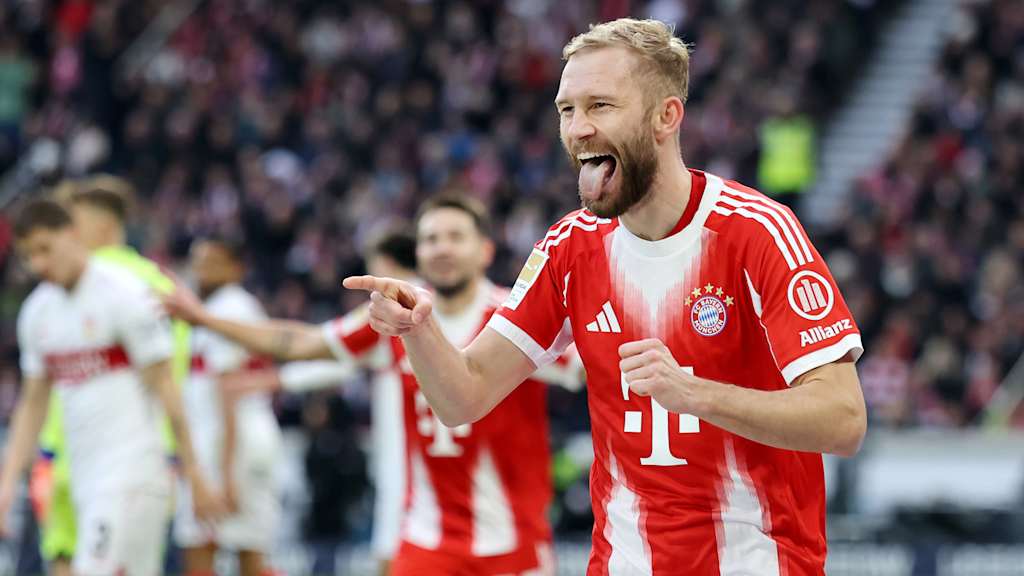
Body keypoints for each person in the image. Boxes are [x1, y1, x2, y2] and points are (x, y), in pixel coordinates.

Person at [343, 18, 867, 575]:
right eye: (567, 110)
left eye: (601, 106)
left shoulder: (758, 231)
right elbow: (463, 397)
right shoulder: (570, 246)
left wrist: (694, 394)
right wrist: (421, 332)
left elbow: (843, 419)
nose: (578, 129)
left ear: (666, 116)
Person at [166, 195, 581, 575]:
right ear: (419, 253)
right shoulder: (396, 317)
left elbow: (589, 367)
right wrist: (203, 319)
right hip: (425, 540)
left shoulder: (519, 317)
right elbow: (301, 342)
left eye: (456, 237)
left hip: (513, 543)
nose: (442, 248)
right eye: (431, 239)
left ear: (485, 250)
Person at [0, 199, 224, 576]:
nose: (38, 264)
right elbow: (32, 406)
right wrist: (6, 487)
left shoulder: (123, 293)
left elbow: (165, 387)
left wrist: (194, 472)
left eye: (45, 249)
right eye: (28, 255)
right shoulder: (38, 312)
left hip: (133, 470)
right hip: (79, 473)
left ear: (71, 235)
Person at [29, 175, 193, 576]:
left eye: (73, 224)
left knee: (69, 562)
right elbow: (176, 370)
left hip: (73, 455)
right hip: (130, 458)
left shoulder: (111, 286)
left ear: (102, 227)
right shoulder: (164, 284)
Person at [173, 235, 282, 576]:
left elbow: (228, 393)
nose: (202, 270)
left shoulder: (228, 307)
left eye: (212, 263)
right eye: (198, 261)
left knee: (203, 545)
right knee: (246, 546)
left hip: (231, 444)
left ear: (236, 269)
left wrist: (225, 474)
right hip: (236, 439)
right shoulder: (223, 307)